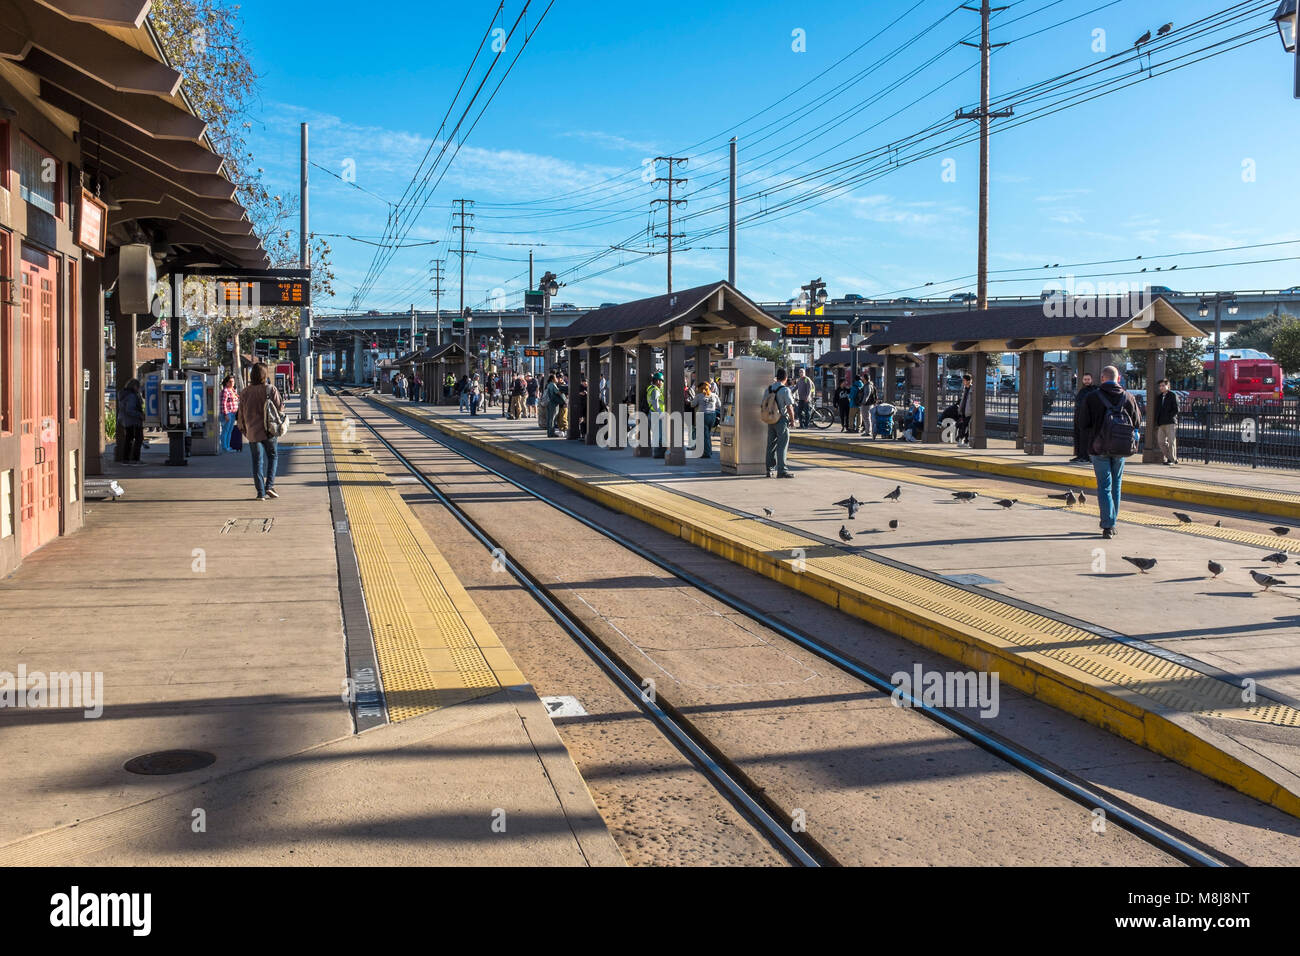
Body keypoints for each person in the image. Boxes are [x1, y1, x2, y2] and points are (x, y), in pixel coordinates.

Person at [1078, 365, 1142, 539]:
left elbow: (1083, 424)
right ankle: (1112, 522)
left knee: (1104, 487)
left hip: (1098, 449)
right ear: (1118, 378)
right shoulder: (1128, 397)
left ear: (1102, 378)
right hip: (1121, 449)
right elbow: (1137, 422)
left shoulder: (1092, 397)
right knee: (1116, 485)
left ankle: (1108, 525)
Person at [237, 363, 285, 501]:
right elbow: (280, 409)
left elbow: (240, 413)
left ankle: (260, 493)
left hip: (252, 432)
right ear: (265, 375)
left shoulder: (245, 392)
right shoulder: (270, 389)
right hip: (268, 431)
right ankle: (269, 485)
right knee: (273, 457)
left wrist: (243, 429)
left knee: (257, 462)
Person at [763, 369, 796, 478]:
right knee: (782, 446)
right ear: (786, 378)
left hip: (770, 419)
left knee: (770, 445)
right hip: (781, 419)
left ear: (777, 377)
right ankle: (782, 471)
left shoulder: (768, 389)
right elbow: (789, 407)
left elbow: (763, 404)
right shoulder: (785, 390)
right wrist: (792, 420)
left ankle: (769, 469)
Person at [1071, 372, 1098, 463]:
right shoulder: (1082, 390)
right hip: (1079, 417)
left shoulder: (1094, 390)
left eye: (1088, 379)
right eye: (1085, 379)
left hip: (1087, 419)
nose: (1086, 381)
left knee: (1085, 438)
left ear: (1091, 380)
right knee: (1078, 437)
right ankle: (1080, 455)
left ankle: (1085, 456)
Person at [117, 378, 144, 465]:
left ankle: (127, 458)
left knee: (129, 439)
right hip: (133, 421)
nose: (139, 389)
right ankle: (135, 459)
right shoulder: (132, 396)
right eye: (138, 387)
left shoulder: (125, 394)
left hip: (127, 420)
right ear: (135, 386)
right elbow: (130, 410)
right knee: (138, 439)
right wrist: (140, 415)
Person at [693, 381, 720, 458]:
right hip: (712, 416)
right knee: (707, 434)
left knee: (704, 436)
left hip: (702, 416)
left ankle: (706, 453)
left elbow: (693, 404)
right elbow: (719, 405)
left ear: (700, 389)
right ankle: (709, 450)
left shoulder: (699, 396)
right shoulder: (714, 396)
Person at [1155, 378, 1180, 465]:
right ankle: (1171, 458)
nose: (1161, 387)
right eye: (1160, 386)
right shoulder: (1159, 397)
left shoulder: (1173, 395)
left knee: (1171, 442)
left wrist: (1169, 416)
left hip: (1170, 422)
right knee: (1161, 441)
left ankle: (1172, 460)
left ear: (1167, 386)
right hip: (1161, 423)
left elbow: (1176, 409)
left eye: (1163, 385)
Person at [647, 371, 666, 458]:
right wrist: (660, 413)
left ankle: (657, 453)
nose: (662, 383)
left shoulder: (652, 388)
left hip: (652, 413)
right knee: (658, 435)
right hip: (656, 414)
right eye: (661, 381)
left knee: (656, 434)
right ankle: (658, 453)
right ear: (658, 381)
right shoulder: (655, 390)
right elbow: (656, 404)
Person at [218, 375, 239, 452]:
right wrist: (226, 414)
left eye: (233, 381)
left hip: (233, 413)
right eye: (230, 381)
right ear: (226, 383)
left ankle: (228, 446)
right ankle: (224, 447)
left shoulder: (233, 390)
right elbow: (223, 403)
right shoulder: (225, 391)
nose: (232, 383)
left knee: (229, 430)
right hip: (227, 413)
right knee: (225, 430)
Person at [957, 373, 974, 446]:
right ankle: (966, 442)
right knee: (965, 426)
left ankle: (961, 439)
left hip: (969, 411)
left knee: (964, 425)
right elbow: (963, 400)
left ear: (968, 381)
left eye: (964, 380)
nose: (963, 382)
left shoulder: (972, 389)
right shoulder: (965, 389)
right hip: (963, 411)